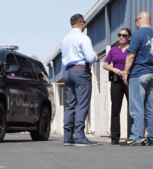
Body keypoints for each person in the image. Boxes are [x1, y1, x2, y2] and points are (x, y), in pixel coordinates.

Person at [122, 11, 153, 146]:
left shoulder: (137, 35)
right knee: (150, 107)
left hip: (138, 74)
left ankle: (136, 137)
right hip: (151, 73)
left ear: (139, 20)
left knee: (136, 106)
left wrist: (125, 72)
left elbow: (131, 56)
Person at [61, 14, 99, 146]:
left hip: (67, 71)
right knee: (82, 103)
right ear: (81, 23)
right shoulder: (83, 38)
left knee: (70, 104)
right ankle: (79, 136)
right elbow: (89, 58)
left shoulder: (65, 39)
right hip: (80, 71)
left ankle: (67, 137)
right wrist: (95, 56)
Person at [103, 28, 133, 145]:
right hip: (116, 82)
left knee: (132, 109)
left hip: (129, 81)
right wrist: (114, 69)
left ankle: (132, 136)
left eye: (124, 35)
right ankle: (115, 138)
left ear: (129, 37)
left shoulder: (132, 49)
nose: (121, 37)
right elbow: (105, 64)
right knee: (115, 109)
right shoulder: (113, 50)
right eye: (119, 35)